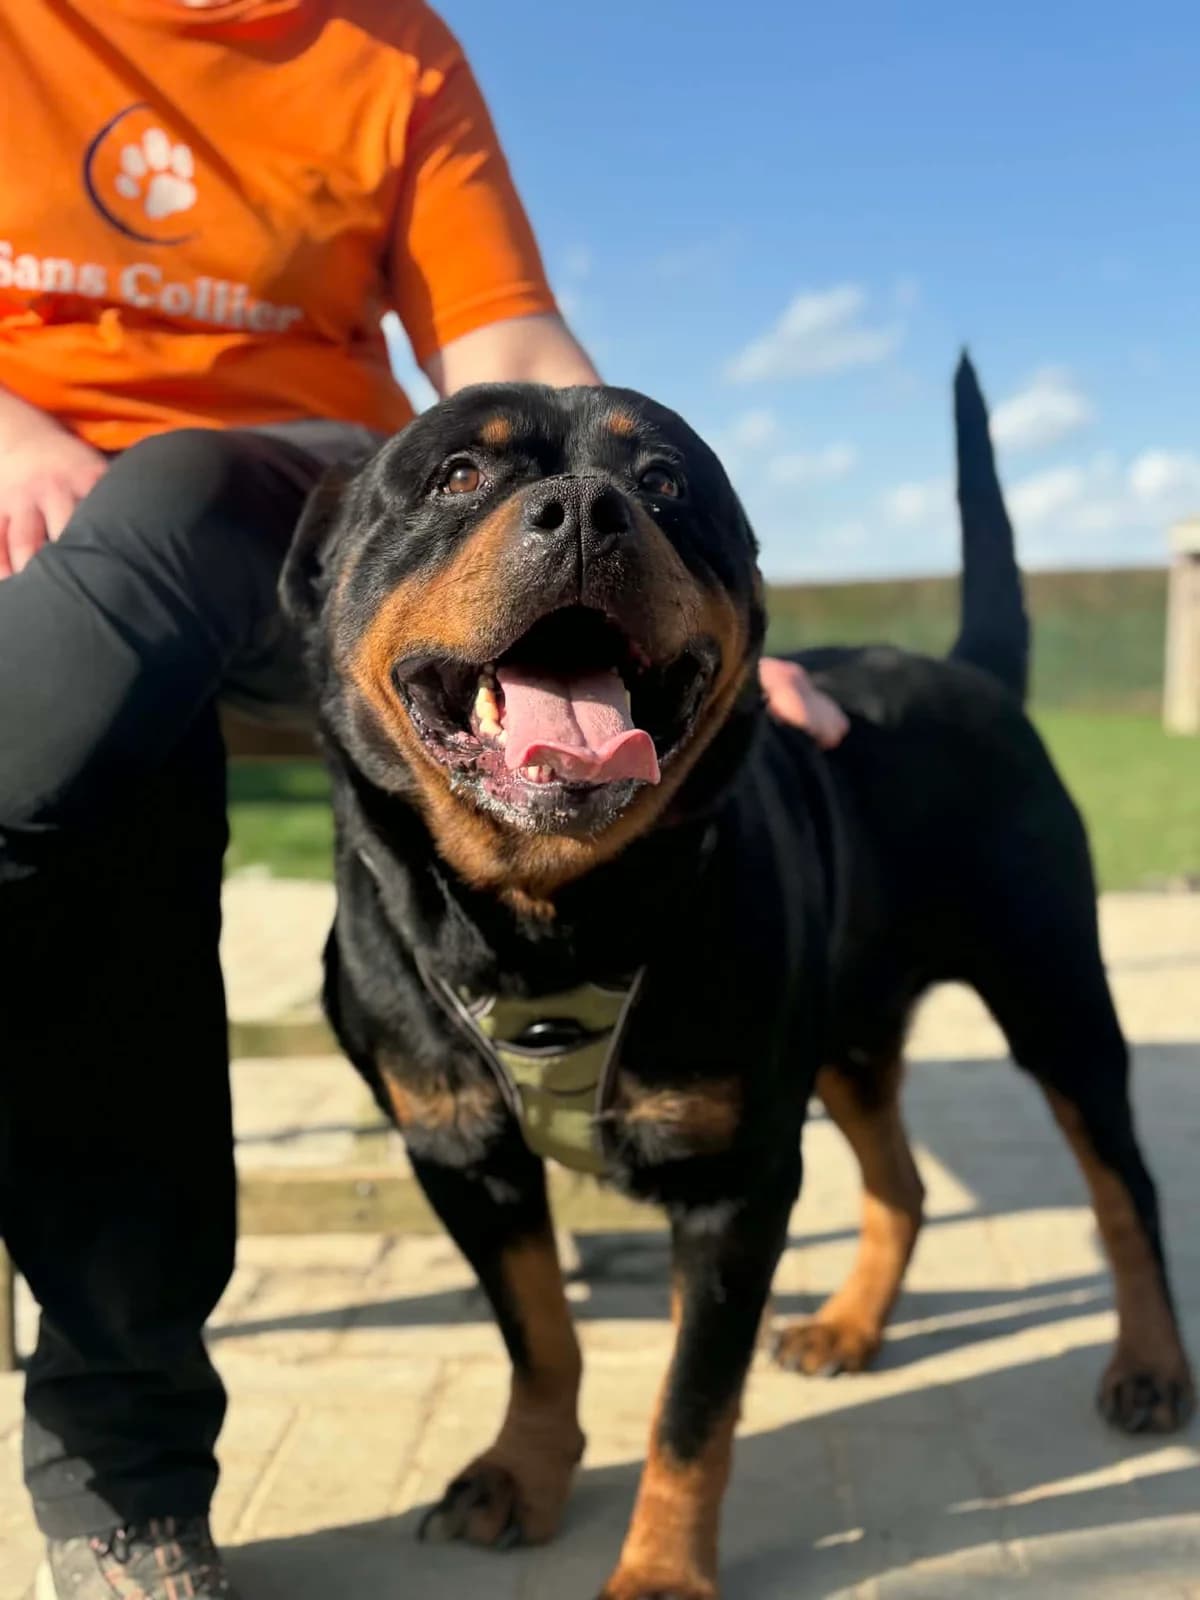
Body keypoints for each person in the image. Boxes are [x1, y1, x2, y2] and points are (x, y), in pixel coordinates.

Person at [0, 3, 846, 1595]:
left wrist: (659, 579)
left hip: (280, 511)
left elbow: (507, 348)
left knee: (171, 492)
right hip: (23, 529)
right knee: (99, 761)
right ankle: (122, 1481)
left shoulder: (384, 43)